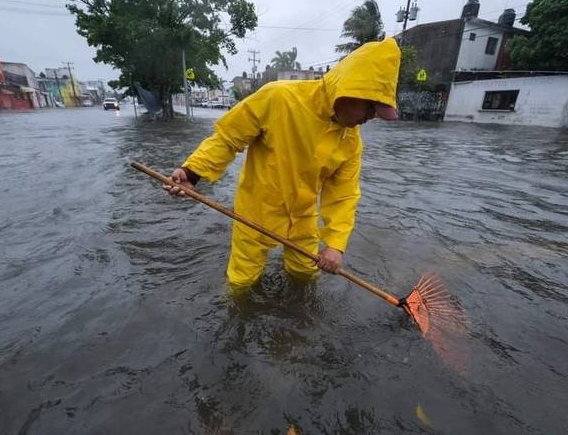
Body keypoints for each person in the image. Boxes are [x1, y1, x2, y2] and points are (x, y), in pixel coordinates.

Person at [164, 38, 401, 290]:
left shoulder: (351, 140)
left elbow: (343, 195)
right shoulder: (278, 97)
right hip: (255, 214)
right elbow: (227, 138)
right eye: (371, 107)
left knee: (305, 280)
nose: (371, 117)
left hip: (302, 219)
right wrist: (192, 173)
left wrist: (335, 245)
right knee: (241, 284)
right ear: (351, 90)